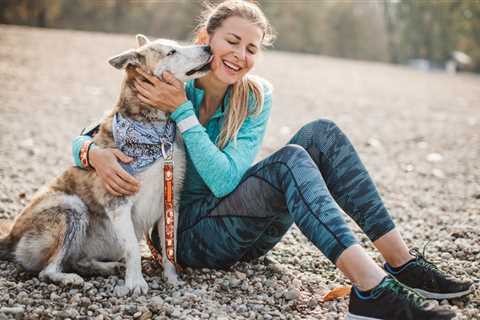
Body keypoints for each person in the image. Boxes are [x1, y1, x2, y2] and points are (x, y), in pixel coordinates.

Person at [72, 1, 472, 319]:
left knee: (321, 134)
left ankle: (401, 264)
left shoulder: (254, 95)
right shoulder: (171, 86)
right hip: (184, 240)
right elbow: (90, 136)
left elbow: (226, 181)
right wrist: (95, 154)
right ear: (205, 39)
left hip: (242, 233)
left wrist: (183, 116)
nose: (240, 55)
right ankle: (372, 291)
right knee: (288, 161)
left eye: (251, 48)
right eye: (231, 41)